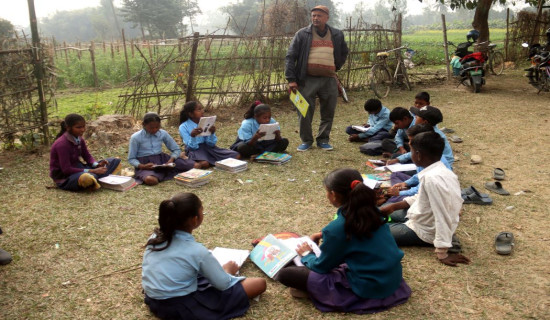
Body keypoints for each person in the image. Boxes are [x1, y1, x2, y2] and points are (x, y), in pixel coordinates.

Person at [277, 168, 411, 314]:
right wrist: (324, 235)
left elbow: (321, 267)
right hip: (392, 280)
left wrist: (308, 254)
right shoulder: (373, 211)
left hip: (369, 288)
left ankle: (318, 292)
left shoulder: (338, 227)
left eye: (327, 192)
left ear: (333, 194)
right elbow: (356, 237)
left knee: (286, 274)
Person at [142, 192, 267, 319]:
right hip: (180, 307)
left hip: (154, 300)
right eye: (202, 210)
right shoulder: (196, 251)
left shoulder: (155, 238)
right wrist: (227, 270)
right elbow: (223, 284)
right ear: (195, 219)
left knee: (202, 274)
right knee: (259, 283)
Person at [380, 132, 470, 267]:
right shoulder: (439, 171)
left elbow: (443, 215)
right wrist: (393, 206)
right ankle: (445, 238)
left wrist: (442, 253)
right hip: (421, 216)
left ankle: (447, 241)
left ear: (419, 155)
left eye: (411, 151)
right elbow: (420, 197)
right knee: (381, 210)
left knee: (373, 231)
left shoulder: (432, 179)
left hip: (424, 230)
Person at [285, 5, 349, 151]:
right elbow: (290, 56)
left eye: (319, 16)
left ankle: (323, 139)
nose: (315, 18)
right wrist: (291, 79)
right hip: (307, 79)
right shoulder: (302, 34)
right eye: (313, 15)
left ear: (327, 18)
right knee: (304, 111)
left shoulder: (337, 34)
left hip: (329, 79)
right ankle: (306, 140)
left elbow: (344, 52)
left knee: (328, 111)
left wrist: (335, 66)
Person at [49, 113, 121, 191]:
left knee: (114, 161)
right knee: (87, 178)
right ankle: (95, 179)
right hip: (66, 177)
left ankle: (96, 178)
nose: (82, 130)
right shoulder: (62, 144)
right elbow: (66, 169)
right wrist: (92, 170)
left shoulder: (79, 139)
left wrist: (96, 164)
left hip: (80, 168)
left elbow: (86, 155)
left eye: (83, 126)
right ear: (68, 128)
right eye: (78, 127)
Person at [385, 124, 452, 203]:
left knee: (392, 203)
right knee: (395, 175)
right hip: (420, 189)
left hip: (425, 197)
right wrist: (405, 183)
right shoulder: (426, 158)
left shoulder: (433, 170)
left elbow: (421, 189)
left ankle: (394, 198)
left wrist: (400, 193)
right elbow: (419, 175)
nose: (409, 143)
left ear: (418, 154)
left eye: (411, 141)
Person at [128, 112, 195, 186]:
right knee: (151, 180)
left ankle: (164, 172)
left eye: (157, 127)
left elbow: (176, 149)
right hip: (146, 164)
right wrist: (142, 166)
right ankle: (161, 174)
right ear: (143, 125)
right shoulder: (135, 137)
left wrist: (171, 159)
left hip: (162, 160)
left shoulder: (162, 133)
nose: (154, 130)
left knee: (194, 166)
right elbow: (131, 159)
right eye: (151, 127)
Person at [179, 101, 240, 167]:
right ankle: (186, 157)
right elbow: (192, 147)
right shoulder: (183, 127)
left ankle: (211, 160)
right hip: (195, 150)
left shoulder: (205, 122)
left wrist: (212, 133)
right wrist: (193, 136)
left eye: (202, 109)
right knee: (205, 164)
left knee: (236, 155)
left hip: (208, 148)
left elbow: (211, 144)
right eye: (199, 110)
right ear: (191, 114)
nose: (202, 111)